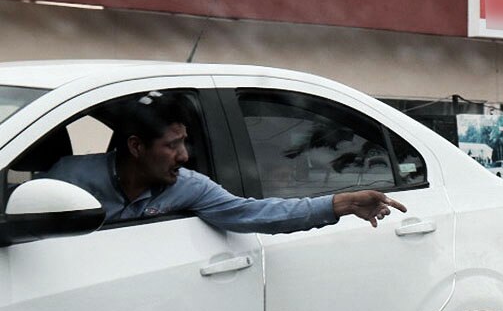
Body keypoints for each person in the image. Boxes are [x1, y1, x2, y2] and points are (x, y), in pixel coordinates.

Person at [43, 90, 406, 233]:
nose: (184, 156)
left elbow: (257, 213)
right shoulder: (67, 180)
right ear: (136, 147)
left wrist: (341, 202)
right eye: (172, 146)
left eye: (185, 142)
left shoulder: (187, 186)